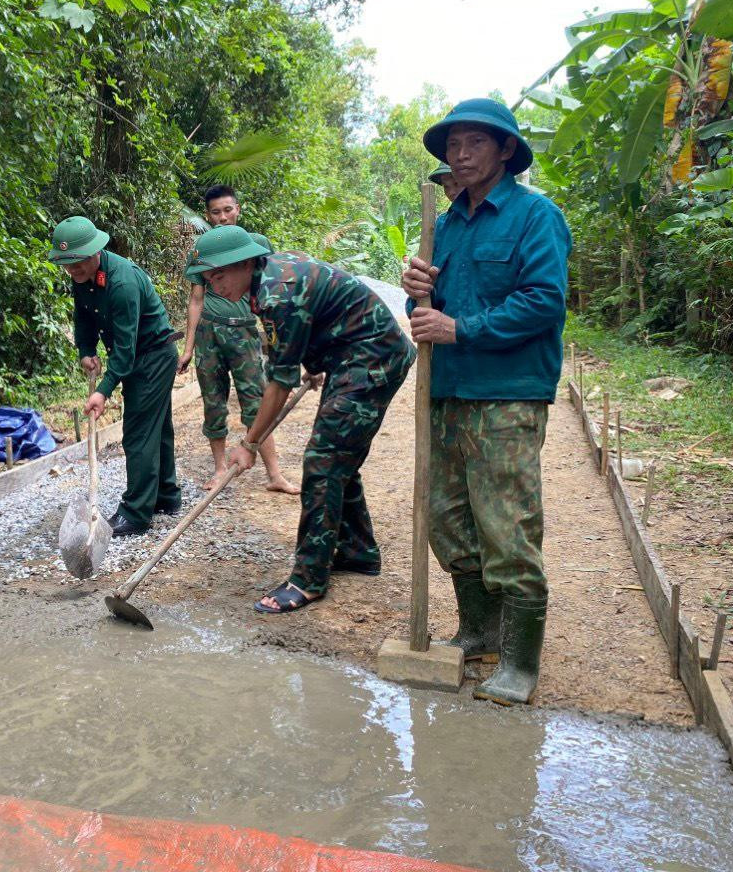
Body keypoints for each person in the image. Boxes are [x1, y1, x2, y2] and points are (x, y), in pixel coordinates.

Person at [404, 97, 571, 705]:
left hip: (507, 394)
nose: (461, 153)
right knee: (447, 520)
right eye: (453, 144)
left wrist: (460, 329)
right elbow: (427, 317)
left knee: (507, 527)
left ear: (505, 151)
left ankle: (521, 664)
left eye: (476, 142)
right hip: (448, 391)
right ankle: (478, 632)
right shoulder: (444, 224)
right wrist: (418, 294)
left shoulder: (535, 216)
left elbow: (544, 302)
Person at [186, 227, 416, 613]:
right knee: (338, 457)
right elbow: (307, 323)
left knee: (323, 461)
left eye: (219, 275)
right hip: (349, 354)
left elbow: (277, 383)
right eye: (208, 279)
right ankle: (358, 551)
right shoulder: (266, 280)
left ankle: (308, 579)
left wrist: (249, 445)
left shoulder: (277, 294)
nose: (214, 285)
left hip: (372, 357)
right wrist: (314, 363)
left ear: (244, 262)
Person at [49, 216, 181, 537]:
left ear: (95, 252)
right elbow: (83, 316)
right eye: (68, 266)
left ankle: (136, 513)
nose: (73, 272)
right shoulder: (81, 277)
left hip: (153, 356)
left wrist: (104, 390)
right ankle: (166, 495)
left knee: (138, 432)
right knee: (157, 426)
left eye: (78, 264)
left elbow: (126, 349)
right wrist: (85, 350)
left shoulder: (121, 283)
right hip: (137, 356)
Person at [178, 187, 297, 495]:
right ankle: (220, 469)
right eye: (216, 212)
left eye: (228, 210)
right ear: (208, 215)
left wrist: (279, 345)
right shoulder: (202, 249)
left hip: (244, 331)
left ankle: (275, 474)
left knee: (257, 401)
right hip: (209, 332)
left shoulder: (256, 245)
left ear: (238, 209)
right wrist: (188, 347)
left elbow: (270, 294)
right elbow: (196, 299)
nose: (223, 217)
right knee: (213, 401)